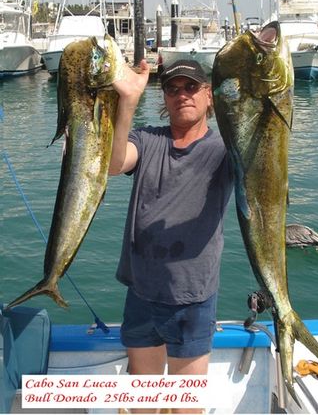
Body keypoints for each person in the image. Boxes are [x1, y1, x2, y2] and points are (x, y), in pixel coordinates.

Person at [110, 59, 234, 414]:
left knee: (185, 408)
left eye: (191, 87)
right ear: (164, 98)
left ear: (209, 95)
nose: (182, 95)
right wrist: (129, 101)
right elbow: (114, 163)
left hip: (191, 298)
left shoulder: (226, 151)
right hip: (141, 292)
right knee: (143, 405)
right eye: (173, 89)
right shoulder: (147, 139)